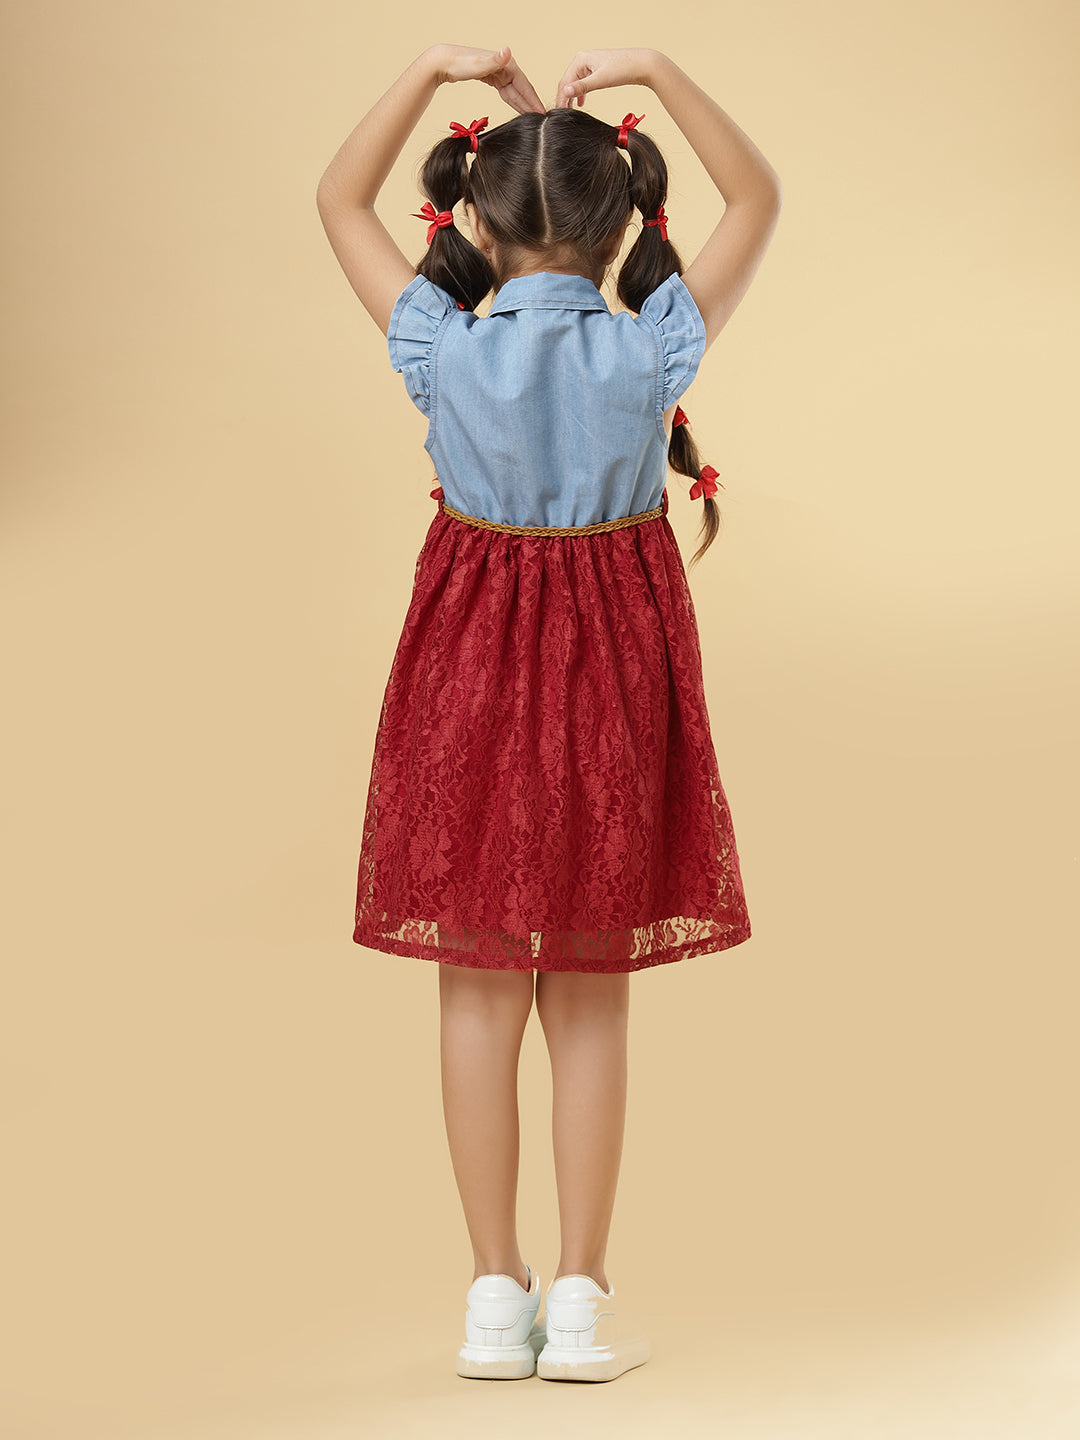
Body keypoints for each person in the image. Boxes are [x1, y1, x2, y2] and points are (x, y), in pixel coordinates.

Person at [316, 43, 782, 1383]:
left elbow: (338, 200)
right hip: (614, 680)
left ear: (470, 218)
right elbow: (758, 198)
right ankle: (579, 1297)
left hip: (463, 673)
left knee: (476, 985)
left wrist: (431, 70)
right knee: (586, 991)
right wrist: (662, 75)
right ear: (624, 221)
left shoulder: (439, 342)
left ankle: (491, 1295)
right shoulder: (651, 345)